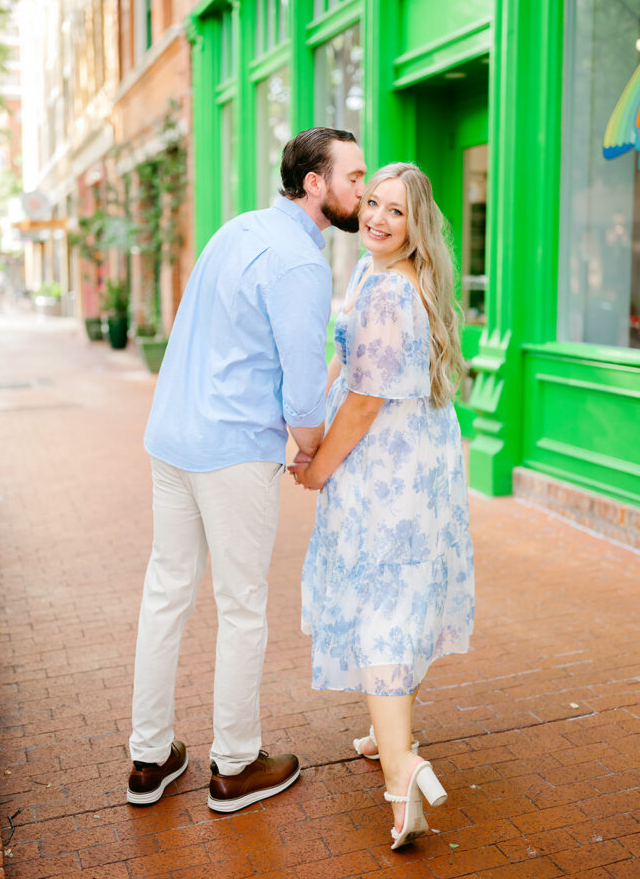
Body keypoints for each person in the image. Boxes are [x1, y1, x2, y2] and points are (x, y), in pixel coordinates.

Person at [127, 127, 367, 812]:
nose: (362, 190)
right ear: (315, 184)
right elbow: (302, 389)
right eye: (354, 177)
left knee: (166, 593)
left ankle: (148, 759)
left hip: (172, 436)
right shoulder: (301, 264)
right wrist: (312, 449)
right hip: (232, 450)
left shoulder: (235, 229)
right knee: (240, 606)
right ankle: (233, 765)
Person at [290, 162, 474, 850]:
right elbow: (346, 366)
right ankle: (386, 729)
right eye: (371, 202)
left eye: (395, 210)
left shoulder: (388, 290)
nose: (376, 217)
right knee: (403, 595)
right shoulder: (383, 275)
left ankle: (403, 775)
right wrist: (307, 420)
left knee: (381, 605)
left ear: (414, 224)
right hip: (417, 459)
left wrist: (318, 468)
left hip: (385, 469)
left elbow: (366, 400)